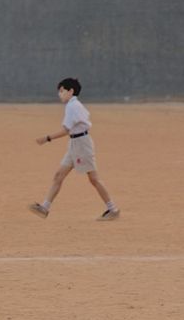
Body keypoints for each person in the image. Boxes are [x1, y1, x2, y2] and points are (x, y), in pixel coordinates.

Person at [28, 77, 120, 220]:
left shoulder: (72, 106)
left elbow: (66, 130)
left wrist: (47, 138)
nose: (60, 94)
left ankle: (112, 209)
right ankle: (45, 207)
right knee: (59, 175)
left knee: (94, 179)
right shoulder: (73, 105)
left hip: (82, 144)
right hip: (75, 144)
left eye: (62, 90)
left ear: (71, 91)